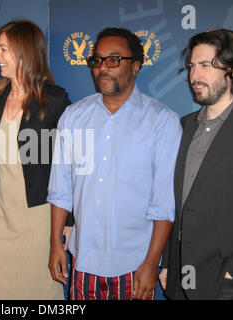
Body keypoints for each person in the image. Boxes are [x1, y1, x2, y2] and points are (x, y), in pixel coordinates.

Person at [48, 27, 182, 300]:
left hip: (135, 265)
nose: (102, 68)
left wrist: (150, 263)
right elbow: (61, 189)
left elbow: (164, 204)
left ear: (135, 66)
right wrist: (55, 243)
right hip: (84, 260)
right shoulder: (73, 117)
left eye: (113, 60)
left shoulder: (161, 121)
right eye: (97, 60)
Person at [159, 29, 233, 300]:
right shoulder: (183, 126)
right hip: (179, 279)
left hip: (228, 284)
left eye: (205, 65)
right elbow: (176, 204)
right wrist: (169, 262)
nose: (194, 76)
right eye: (192, 66)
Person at [0, 20, 71, 300]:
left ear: (24, 52)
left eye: (3, 49)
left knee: (42, 292)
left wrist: (69, 220)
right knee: (3, 293)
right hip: (0, 213)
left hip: (41, 217)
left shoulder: (54, 101)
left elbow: (69, 166)